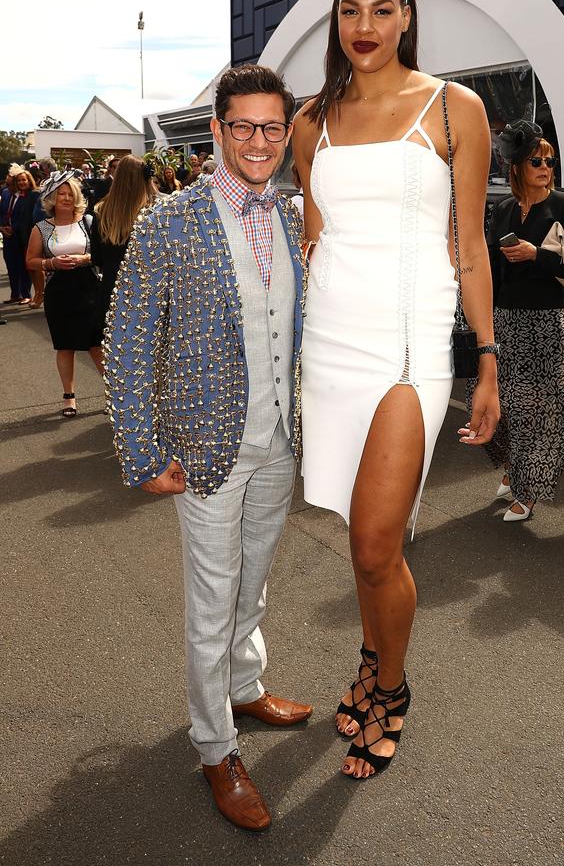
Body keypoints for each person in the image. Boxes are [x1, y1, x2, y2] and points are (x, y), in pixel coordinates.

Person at [292, 0, 500, 781]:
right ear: (334, 21)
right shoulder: (311, 122)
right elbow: (313, 239)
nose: (366, 27)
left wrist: (487, 357)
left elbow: (471, 245)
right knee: (357, 537)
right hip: (331, 347)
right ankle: (371, 660)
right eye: (350, 11)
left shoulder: (457, 110)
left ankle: (393, 686)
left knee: (379, 544)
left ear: (408, 14)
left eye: (382, 9)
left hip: (411, 348)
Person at [105, 64, 310, 832]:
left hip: (278, 444)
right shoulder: (168, 221)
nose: (259, 142)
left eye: (272, 127)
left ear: (285, 133)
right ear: (218, 131)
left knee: (253, 585)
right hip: (204, 450)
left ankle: (246, 685)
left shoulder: (291, 218)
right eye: (244, 127)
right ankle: (214, 745)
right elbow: (125, 343)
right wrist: (141, 449)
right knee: (210, 602)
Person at [485, 121, 564, 520]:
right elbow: (493, 269)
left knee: (540, 410)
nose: (546, 167)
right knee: (502, 404)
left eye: (550, 160)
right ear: (517, 167)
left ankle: (528, 489)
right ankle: (515, 469)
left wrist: (537, 256)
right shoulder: (504, 209)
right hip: (505, 321)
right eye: (536, 161)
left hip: (545, 322)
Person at [25, 170, 103, 417]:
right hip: (59, 291)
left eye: (71, 194)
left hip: (90, 287)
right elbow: (31, 261)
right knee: (65, 345)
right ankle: (69, 398)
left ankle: (115, 395)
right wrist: (52, 264)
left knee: (97, 344)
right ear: (52, 199)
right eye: (61, 194)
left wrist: (84, 258)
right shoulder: (41, 228)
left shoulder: (89, 222)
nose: (67, 198)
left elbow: (102, 255)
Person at [90, 154, 157, 336]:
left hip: (113, 295)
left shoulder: (101, 211)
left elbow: (96, 257)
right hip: (150, 296)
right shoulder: (156, 211)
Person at [12, 167, 41, 305]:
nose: (21, 182)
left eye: (24, 180)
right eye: (19, 181)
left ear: (29, 180)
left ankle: (40, 294)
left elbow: (39, 215)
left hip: (33, 235)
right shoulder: (21, 195)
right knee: (30, 267)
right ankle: (36, 294)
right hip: (23, 237)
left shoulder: (35, 194)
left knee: (37, 267)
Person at [1, 172, 31, 303]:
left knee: (23, 266)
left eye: (12, 183)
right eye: (7, 184)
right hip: (7, 236)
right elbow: (1, 213)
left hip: (22, 236)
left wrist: (14, 228)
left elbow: (27, 217)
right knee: (11, 266)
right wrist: (1, 228)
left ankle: (26, 294)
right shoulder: (6, 194)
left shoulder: (28, 196)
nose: (9, 186)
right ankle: (15, 294)